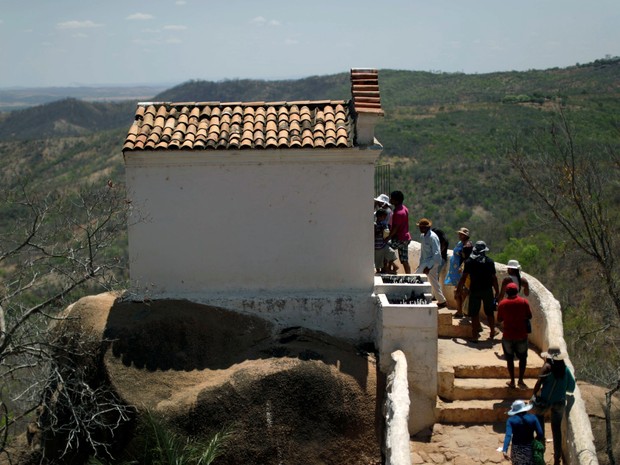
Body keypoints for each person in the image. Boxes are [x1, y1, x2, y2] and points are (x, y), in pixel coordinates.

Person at [531, 347, 576, 465]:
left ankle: (540, 453)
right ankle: (557, 459)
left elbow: (538, 383)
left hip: (545, 401)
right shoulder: (565, 370)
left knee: (539, 427)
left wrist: (534, 395)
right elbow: (571, 387)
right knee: (556, 430)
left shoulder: (547, 368)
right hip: (560, 402)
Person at [456, 241, 499, 342]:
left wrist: (458, 289)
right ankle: (492, 332)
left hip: (474, 290)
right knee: (489, 312)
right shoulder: (489, 262)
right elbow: (494, 278)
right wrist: (497, 291)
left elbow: (463, 278)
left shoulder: (469, 262)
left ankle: (475, 336)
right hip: (487, 290)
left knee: (474, 313)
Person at [497, 282, 532, 389]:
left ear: (506, 292)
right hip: (521, 335)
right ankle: (520, 380)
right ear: (517, 291)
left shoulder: (502, 304)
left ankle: (512, 381)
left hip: (508, 335)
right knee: (522, 358)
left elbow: (499, 319)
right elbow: (529, 316)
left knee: (509, 359)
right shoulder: (524, 302)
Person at [415, 218, 447, 308]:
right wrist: (420, 264)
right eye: (420, 227)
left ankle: (417, 298)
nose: (421, 229)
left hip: (432, 262)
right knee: (434, 282)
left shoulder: (433, 237)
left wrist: (429, 267)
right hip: (425, 262)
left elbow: (437, 253)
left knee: (416, 277)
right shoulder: (423, 236)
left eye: (423, 227)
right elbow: (423, 252)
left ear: (428, 227)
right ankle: (442, 300)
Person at [502, 399, 544, 465]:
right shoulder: (533, 418)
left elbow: (508, 435)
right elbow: (540, 434)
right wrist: (535, 441)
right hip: (530, 448)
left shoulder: (510, 420)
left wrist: (504, 450)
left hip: (516, 450)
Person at [444, 227, 473, 317]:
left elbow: (465, 258)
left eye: (461, 234)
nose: (459, 235)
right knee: (458, 291)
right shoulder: (460, 243)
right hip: (456, 271)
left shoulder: (467, 246)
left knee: (460, 291)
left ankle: (462, 310)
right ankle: (460, 310)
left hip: (461, 272)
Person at [387, 190, 412, 274]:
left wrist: (388, 237)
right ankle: (409, 276)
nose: (390, 200)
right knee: (404, 260)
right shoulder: (404, 208)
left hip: (399, 238)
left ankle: (390, 269)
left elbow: (395, 228)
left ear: (396, 200)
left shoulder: (398, 213)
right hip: (405, 238)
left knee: (386, 249)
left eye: (392, 199)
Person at [374, 208, 397, 274]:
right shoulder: (375, 225)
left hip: (383, 244)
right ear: (379, 216)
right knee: (378, 262)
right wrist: (380, 230)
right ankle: (378, 272)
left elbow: (386, 233)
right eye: (383, 217)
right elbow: (374, 234)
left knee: (391, 253)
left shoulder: (384, 224)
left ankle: (391, 268)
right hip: (377, 246)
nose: (384, 218)